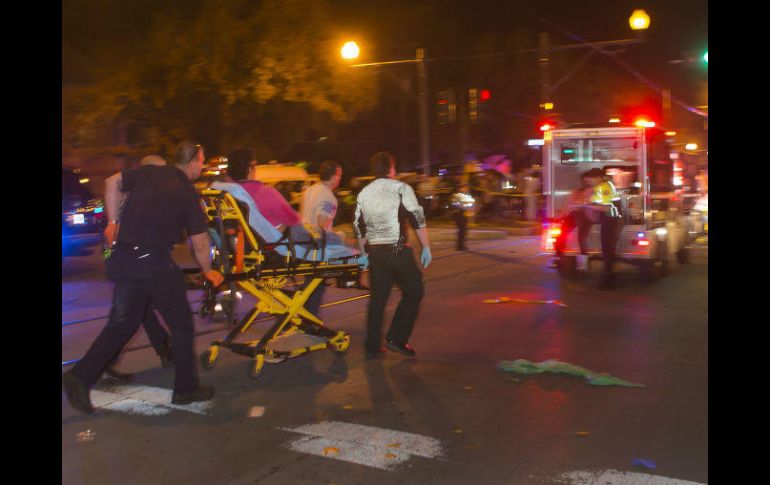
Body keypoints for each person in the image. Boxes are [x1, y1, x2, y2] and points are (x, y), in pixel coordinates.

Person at [62, 141, 223, 414]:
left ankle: (79, 378)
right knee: (182, 324)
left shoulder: (150, 173)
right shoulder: (187, 193)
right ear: (194, 162)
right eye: (203, 161)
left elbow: (113, 182)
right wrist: (208, 271)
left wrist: (113, 223)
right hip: (153, 261)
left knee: (122, 324)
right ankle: (186, 390)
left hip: (125, 258)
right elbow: (199, 243)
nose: (203, 166)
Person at [101, 154, 174, 382]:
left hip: (127, 263)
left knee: (139, 310)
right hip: (131, 264)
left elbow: (108, 238)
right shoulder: (132, 196)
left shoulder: (129, 195)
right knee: (128, 314)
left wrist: (108, 259)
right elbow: (110, 236)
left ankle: (164, 349)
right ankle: (99, 366)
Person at [354, 151, 432, 359]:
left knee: (377, 301)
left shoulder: (365, 193)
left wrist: (363, 261)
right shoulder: (401, 189)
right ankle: (397, 338)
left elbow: (360, 230)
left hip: (376, 252)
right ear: (391, 169)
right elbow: (417, 219)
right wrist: (426, 247)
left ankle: (372, 346)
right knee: (415, 291)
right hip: (397, 250)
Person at [450, 183, 475, 251]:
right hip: (459, 214)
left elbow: (471, 204)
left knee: (464, 230)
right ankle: (459, 246)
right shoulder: (457, 196)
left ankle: (462, 245)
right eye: (464, 188)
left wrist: (471, 210)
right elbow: (455, 205)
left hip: (465, 214)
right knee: (461, 230)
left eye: (467, 188)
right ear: (460, 189)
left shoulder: (468, 196)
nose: (466, 189)